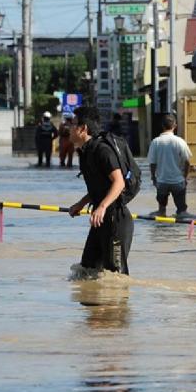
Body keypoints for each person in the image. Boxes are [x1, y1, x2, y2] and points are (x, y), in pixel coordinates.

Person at [68, 106, 133, 275]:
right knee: (86, 271)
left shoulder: (102, 150)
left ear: (83, 129)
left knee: (116, 277)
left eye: (72, 124)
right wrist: (81, 203)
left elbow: (119, 183)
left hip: (116, 221)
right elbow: (101, 186)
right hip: (99, 220)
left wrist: (102, 206)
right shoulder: (85, 152)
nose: (69, 128)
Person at [147, 113, 193, 217]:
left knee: (161, 212)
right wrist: (185, 178)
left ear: (162, 126)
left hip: (162, 182)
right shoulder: (180, 142)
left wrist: (154, 178)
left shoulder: (155, 142)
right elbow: (187, 162)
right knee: (182, 212)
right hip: (178, 182)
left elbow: (152, 163)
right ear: (175, 126)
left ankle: (161, 213)